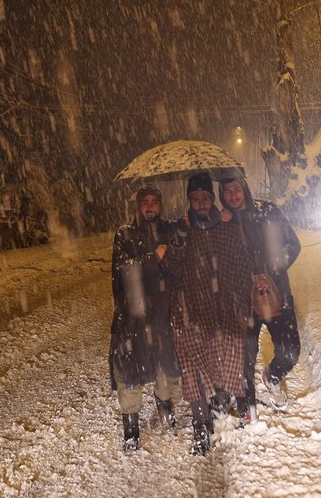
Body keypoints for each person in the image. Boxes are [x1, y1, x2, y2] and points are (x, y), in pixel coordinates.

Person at [160, 172, 254, 455]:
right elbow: (172, 268)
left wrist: (239, 300)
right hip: (190, 311)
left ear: (212, 199)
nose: (200, 203)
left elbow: (241, 261)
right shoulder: (182, 229)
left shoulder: (226, 225)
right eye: (195, 198)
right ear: (189, 201)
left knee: (225, 362)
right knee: (192, 371)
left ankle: (222, 404)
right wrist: (180, 238)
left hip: (224, 309)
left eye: (205, 197)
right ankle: (201, 426)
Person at [219, 175, 301, 420]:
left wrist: (271, 272)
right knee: (244, 356)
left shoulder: (267, 211)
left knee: (290, 351)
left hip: (277, 294)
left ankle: (272, 377)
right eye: (227, 192)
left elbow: (292, 245)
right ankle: (247, 411)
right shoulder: (223, 221)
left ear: (244, 187)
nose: (233, 195)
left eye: (236, 189)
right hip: (242, 300)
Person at [108, 185, 182, 452]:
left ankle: (163, 401)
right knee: (129, 372)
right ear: (138, 206)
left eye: (154, 202)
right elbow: (124, 272)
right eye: (145, 203)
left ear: (161, 205)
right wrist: (154, 258)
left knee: (167, 368)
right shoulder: (124, 234)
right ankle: (131, 425)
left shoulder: (170, 230)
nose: (150, 207)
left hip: (163, 313)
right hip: (133, 315)